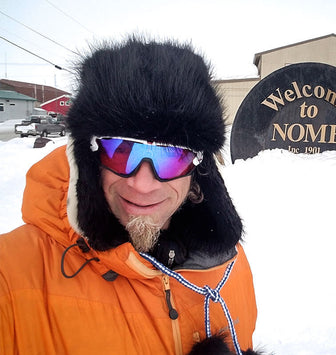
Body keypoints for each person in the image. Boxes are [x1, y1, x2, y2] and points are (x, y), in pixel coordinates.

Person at [0, 37, 260, 355]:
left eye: (172, 156)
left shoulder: (229, 264)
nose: (142, 184)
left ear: (197, 167)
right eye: (121, 151)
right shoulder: (13, 274)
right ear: (90, 156)